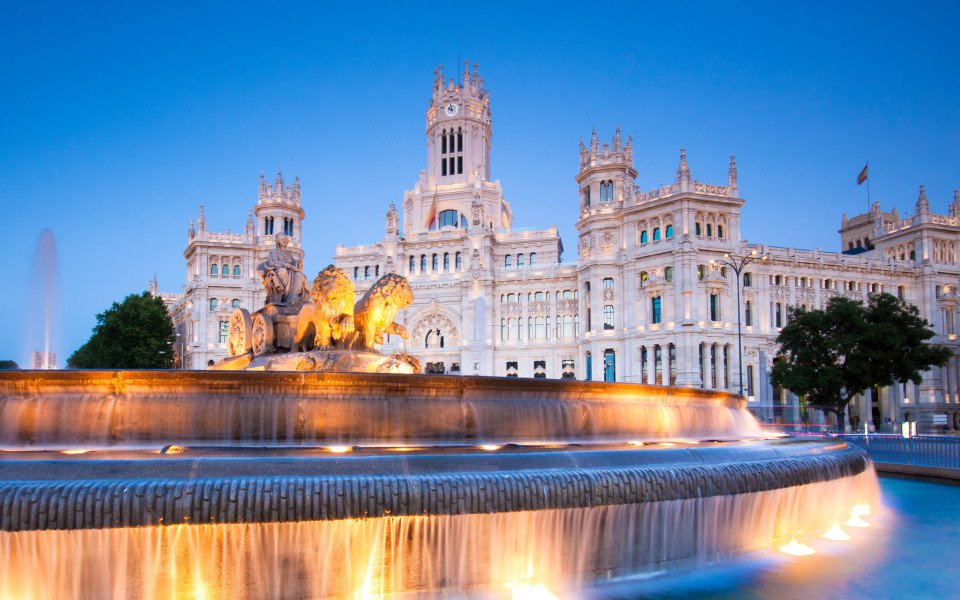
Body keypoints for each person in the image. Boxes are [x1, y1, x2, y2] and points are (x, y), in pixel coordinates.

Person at [256, 233, 309, 305]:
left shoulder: (289, 254)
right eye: (281, 239)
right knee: (283, 271)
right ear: (277, 241)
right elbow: (274, 262)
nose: (283, 241)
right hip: (277, 271)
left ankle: (293, 297)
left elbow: (294, 263)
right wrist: (285, 265)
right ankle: (285, 296)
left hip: (291, 271)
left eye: (285, 239)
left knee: (300, 275)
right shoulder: (273, 252)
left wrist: (296, 266)